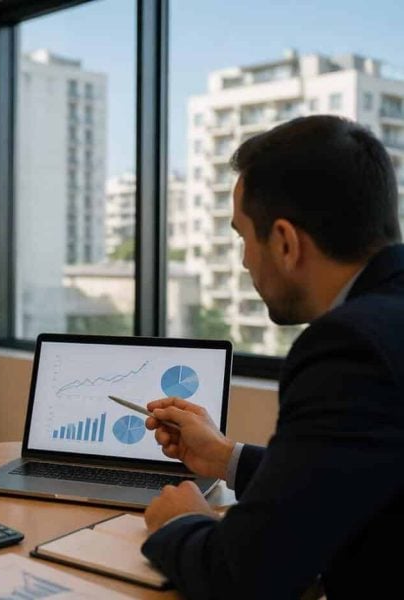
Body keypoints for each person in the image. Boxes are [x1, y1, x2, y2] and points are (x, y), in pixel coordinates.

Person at [140, 115, 404, 599]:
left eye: (243, 236)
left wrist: (178, 525)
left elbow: (245, 579)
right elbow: (340, 478)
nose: (243, 261)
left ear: (284, 242)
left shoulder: (351, 345)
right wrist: (224, 457)